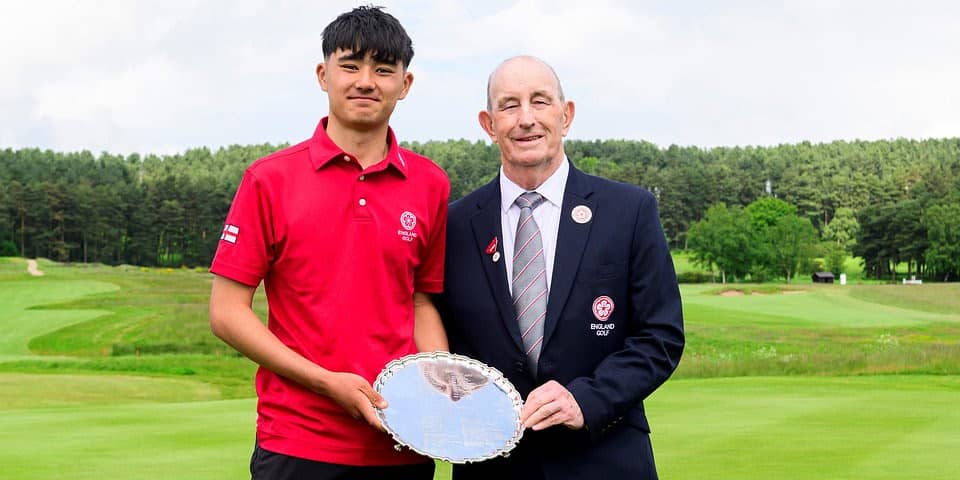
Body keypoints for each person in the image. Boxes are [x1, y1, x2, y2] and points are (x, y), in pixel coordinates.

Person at [208, 6, 449, 480]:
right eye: (351, 65)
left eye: (383, 69)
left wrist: (437, 383)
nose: (366, 81)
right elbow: (226, 312)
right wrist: (326, 382)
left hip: (401, 441)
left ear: (405, 84)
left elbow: (420, 302)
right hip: (297, 442)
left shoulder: (431, 184)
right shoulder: (269, 180)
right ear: (323, 74)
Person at [439, 55, 684, 480]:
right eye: (510, 105)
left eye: (541, 101)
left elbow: (660, 336)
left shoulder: (629, 211)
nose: (526, 119)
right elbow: (438, 342)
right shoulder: (454, 225)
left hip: (605, 460)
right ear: (488, 123)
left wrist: (586, 400)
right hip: (494, 466)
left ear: (566, 115)